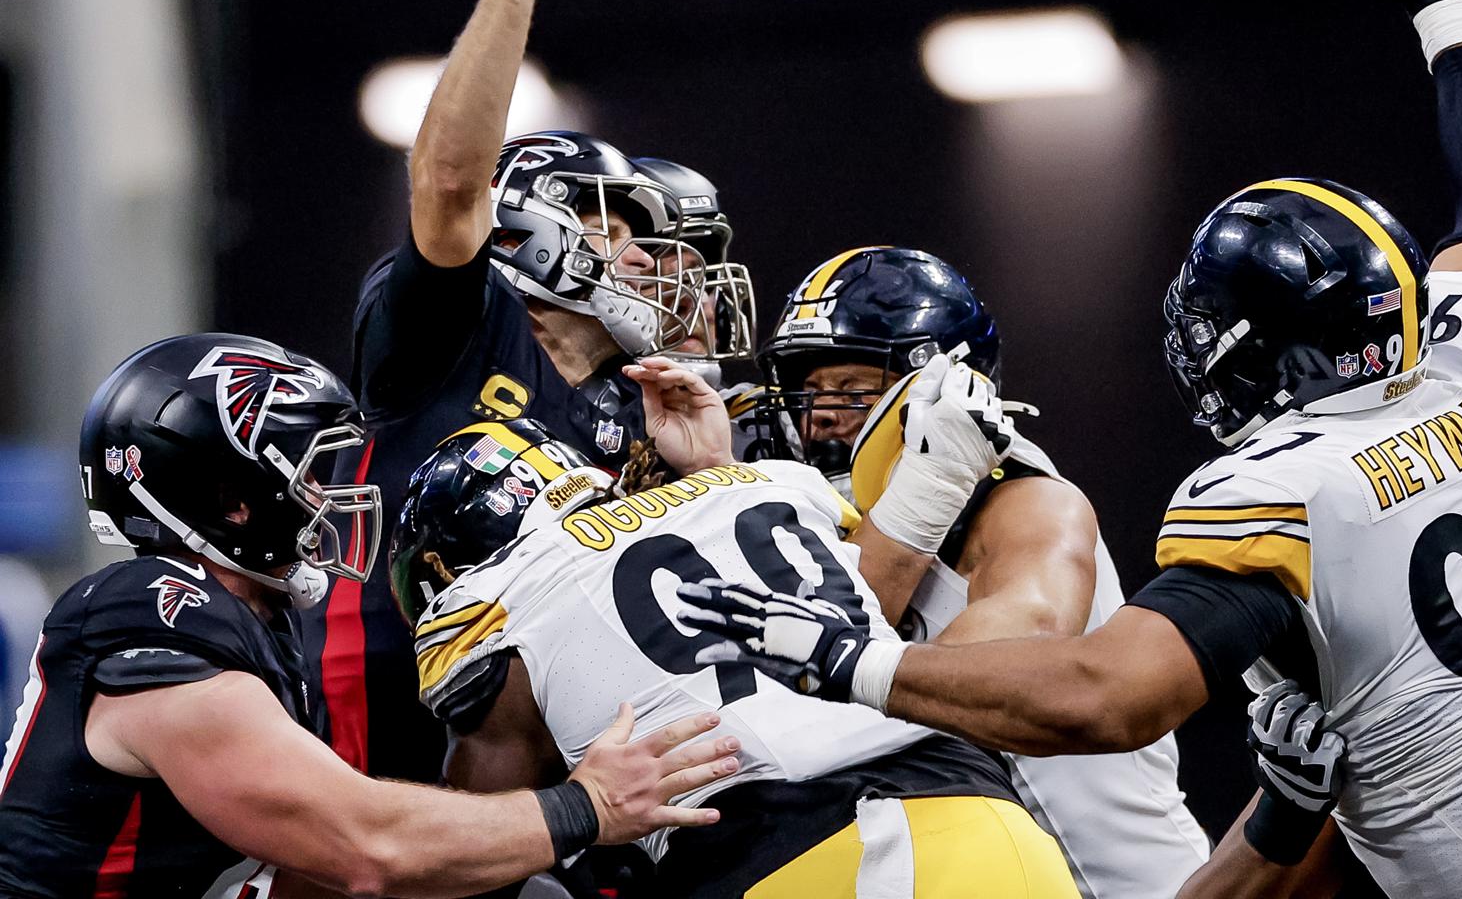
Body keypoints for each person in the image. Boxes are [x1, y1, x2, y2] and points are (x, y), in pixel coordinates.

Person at [685, 0, 1462, 898]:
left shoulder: (1274, 491)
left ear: (1258, 352)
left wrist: (855, 661)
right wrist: (1449, 3)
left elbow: (1108, 696)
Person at [305, 0, 752, 784]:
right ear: (528, 231)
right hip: (383, 695)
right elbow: (452, 181)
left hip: (551, 719)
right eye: (614, 226)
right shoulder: (461, 327)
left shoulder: (646, 403)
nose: (640, 257)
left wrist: (713, 477)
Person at [0, 334, 736, 899]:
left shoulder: (250, 626)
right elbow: (360, 844)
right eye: (309, 473)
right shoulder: (153, 608)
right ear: (232, 500)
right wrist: (588, 807)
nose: (328, 496)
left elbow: (310, 871)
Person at [389, 360, 1082, 898]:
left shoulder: (496, 601)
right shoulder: (767, 483)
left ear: (446, 569)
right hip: (994, 822)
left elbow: (479, 853)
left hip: (800, 855)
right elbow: (860, 600)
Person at [753, 245, 1210, 897]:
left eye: (852, 389)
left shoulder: (1025, 500)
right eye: (811, 391)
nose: (821, 414)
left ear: (939, 388)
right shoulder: (847, 521)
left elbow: (1027, 648)